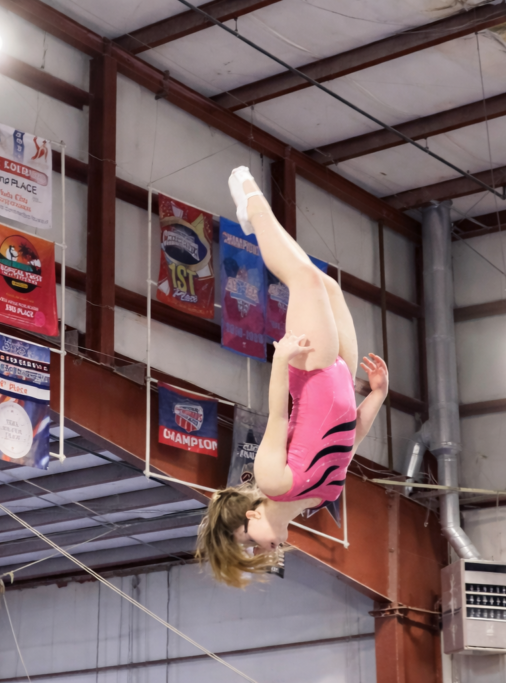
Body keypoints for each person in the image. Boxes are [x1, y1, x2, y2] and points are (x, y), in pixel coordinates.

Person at [195, 167, 390, 588]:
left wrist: (282, 360)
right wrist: (377, 396)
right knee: (327, 286)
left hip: (310, 370)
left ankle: (250, 197)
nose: (262, 550)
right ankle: (256, 216)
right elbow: (349, 439)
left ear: (250, 516)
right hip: (340, 372)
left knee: (303, 279)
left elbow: (278, 417)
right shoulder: (318, 501)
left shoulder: (273, 481)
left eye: (247, 544)